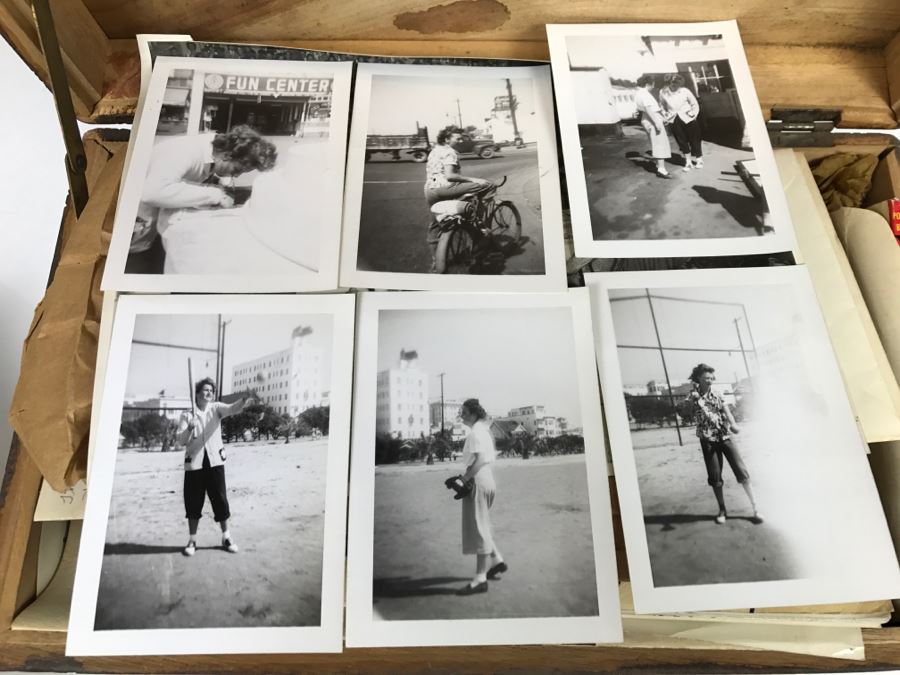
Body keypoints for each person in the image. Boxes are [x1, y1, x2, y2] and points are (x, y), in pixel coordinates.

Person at [128, 125, 278, 274]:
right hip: (132, 231)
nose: (236, 176)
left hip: (150, 229)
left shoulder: (210, 153)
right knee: (137, 272)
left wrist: (217, 185)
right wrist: (213, 195)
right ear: (227, 156)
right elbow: (152, 192)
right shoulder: (184, 152)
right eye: (236, 170)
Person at [175, 377, 256, 557]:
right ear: (196, 393)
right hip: (194, 465)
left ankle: (226, 536)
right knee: (193, 502)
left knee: (220, 500)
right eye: (205, 390)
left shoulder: (216, 408)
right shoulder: (187, 415)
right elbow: (180, 440)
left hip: (215, 463)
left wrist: (244, 399)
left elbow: (232, 409)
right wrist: (189, 428)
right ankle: (192, 540)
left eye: (211, 390)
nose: (209, 392)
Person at [685, 364, 762, 525]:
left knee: (741, 471)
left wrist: (733, 424)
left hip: (725, 436)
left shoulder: (718, 394)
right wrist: (694, 400)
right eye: (707, 378)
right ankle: (722, 509)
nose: (710, 380)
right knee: (715, 476)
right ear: (699, 378)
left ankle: (756, 508)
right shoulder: (692, 396)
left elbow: (727, 413)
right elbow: (689, 414)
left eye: (712, 378)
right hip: (707, 440)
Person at [423, 126, 494, 270]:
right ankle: (481, 224)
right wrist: (474, 179)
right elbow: (450, 176)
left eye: (462, 138)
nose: (461, 141)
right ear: (447, 139)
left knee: (435, 223)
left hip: (429, 189)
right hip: (445, 189)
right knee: (487, 185)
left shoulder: (435, 150)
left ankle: (435, 261)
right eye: (458, 138)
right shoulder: (450, 152)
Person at [456, 398, 506, 595]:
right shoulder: (484, 430)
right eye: (462, 411)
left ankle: (480, 579)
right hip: (487, 479)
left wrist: (464, 479)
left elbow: (480, 459)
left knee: (479, 528)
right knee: (482, 524)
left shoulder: (476, 433)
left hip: (477, 479)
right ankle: (498, 561)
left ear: (475, 414)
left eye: (465, 412)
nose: (462, 415)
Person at [660, 74, 703, 171]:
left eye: (677, 83)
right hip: (674, 119)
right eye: (672, 83)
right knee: (681, 141)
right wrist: (665, 115)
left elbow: (694, 104)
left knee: (694, 139)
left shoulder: (685, 91)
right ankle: (688, 162)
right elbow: (662, 105)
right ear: (668, 83)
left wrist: (694, 115)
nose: (675, 86)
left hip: (688, 118)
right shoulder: (663, 92)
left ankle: (699, 160)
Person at [634, 75, 672, 179]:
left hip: (647, 118)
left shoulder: (638, 93)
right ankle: (661, 169)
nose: (653, 86)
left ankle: (659, 165)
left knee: (656, 143)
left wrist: (661, 118)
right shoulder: (644, 94)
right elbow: (648, 109)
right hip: (652, 118)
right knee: (660, 144)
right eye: (652, 84)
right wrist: (657, 122)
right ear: (647, 84)